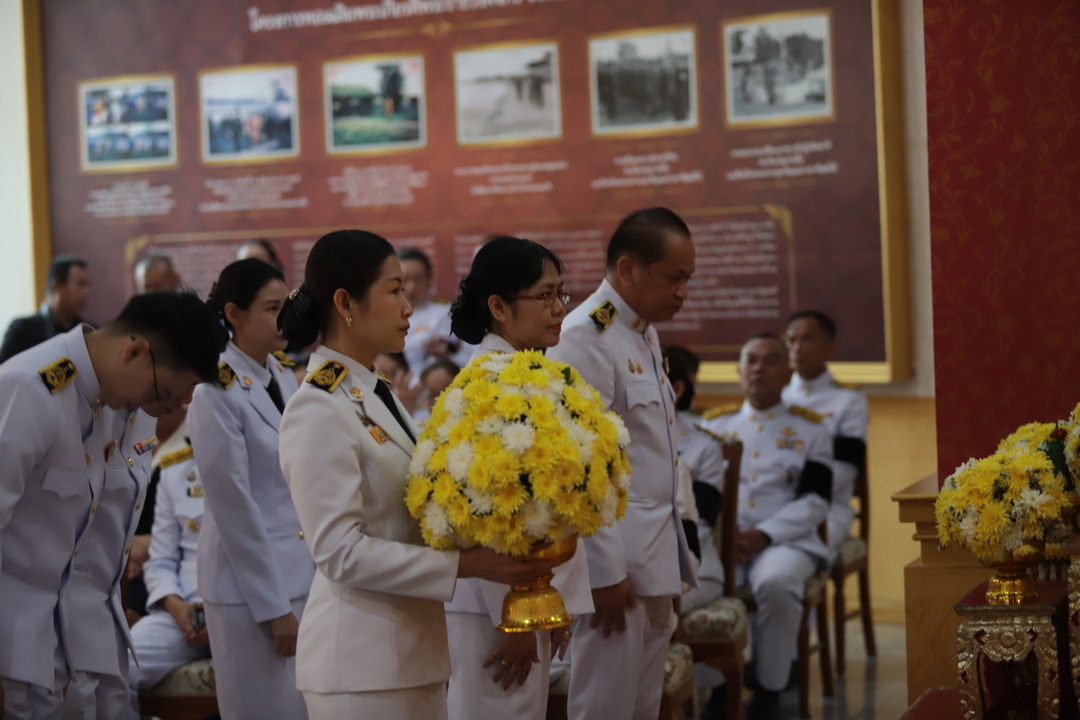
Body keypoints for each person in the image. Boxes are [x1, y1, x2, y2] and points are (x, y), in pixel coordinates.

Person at [276, 229, 566, 719]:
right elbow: (339, 553)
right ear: (346, 302)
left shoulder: (374, 392)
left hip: (413, 655)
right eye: (394, 291)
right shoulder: (318, 407)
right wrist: (469, 566)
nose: (409, 307)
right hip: (362, 663)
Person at [0, 291, 226, 720]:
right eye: (165, 393)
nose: (169, 408)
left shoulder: (131, 402)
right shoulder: (29, 390)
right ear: (136, 351)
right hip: (21, 660)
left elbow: (107, 543)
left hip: (99, 657)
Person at [548, 207, 698, 720]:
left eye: (687, 279)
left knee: (640, 706)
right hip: (615, 567)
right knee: (604, 707)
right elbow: (581, 464)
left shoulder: (642, 331)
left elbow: (659, 453)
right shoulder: (584, 336)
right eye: (674, 278)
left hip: (653, 556)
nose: (682, 291)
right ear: (629, 269)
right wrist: (604, 572)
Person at [443, 236, 593, 720]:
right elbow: (483, 513)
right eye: (544, 295)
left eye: (561, 294)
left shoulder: (529, 371)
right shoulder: (493, 384)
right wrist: (516, 620)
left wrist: (552, 600)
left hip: (529, 594)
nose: (558, 309)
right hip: (498, 607)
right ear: (498, 306)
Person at [187, 259, 315, 720]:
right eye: (271, 308)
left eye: (287, 305)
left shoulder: (278, 374)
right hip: (249, 591)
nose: (284, 318)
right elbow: (233, 506)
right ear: (234, 314)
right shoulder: (214, 390)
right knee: (260, 709)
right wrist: (273, 606)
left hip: (296, 571)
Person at [701, 334, 834, 720]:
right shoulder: (714, 427)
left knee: (775, 582)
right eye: (751, 360)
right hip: (722, 541)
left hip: (786, 542)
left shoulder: (811, 430)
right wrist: (724, 538)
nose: (759, 368)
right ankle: (718, 686)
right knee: (695, 578)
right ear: (739, 370)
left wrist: (763, 535)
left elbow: (815, 501)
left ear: (787, 371)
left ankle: (770, 690)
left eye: (770, 360)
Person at [125, 435, 211, 715]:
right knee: (119, 666)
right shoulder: (176, 471)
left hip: (247, 615)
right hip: (183, 612)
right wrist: (177, 609)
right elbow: (160, 562)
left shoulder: (271, 462)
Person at [782, 310, 868, 548]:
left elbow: (845, 469)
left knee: (796, 551)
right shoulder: (777, 397)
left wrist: (792, 491)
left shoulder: (848, 399)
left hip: (828, 508)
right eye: (791, 340)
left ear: (829, 346)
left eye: (807, 339)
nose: (797, 348)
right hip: (771, 504)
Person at [0, 255, 92, 363]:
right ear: (57, 286)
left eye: (88, 285)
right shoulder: (23, 330)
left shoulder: (89, 333)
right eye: (80, 284)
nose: (87, 292)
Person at [399, 247, 472, 375]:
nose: (411, 287)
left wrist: (444, 355)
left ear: (429, 280)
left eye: (418, 279)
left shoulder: (444, 314)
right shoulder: (381, 316)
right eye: (405, 280)